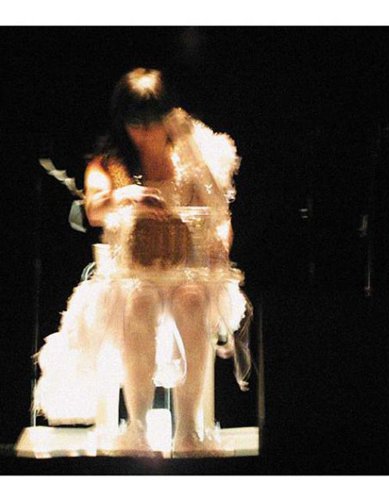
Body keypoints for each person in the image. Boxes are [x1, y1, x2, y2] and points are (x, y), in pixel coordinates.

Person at [34, 68, 251, 456]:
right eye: (136, 123)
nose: (145, 132)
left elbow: (219, 209)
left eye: (153, 121)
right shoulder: (112, 163)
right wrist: (130, 196)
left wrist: (220, 238)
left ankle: (188, 430)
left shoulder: (189, 158)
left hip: (186, 270)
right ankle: (136, 428)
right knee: (139, 301)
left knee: (191, 299)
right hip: (129, 274)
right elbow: (94, 209)